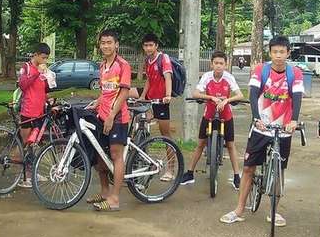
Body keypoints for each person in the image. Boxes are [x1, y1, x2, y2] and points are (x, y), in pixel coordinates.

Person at [221, 36, 304, 226]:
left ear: (288, 53)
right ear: (270, 53)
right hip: (262, 126)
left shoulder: (295, 73)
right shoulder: (261, 70)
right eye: (275, 52)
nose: (278, 56)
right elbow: (252, 94)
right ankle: (239, 209)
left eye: (282, 52)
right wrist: (256, 118)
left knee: (279, 171)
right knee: (249, 167)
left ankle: (274, 211)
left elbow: (298, 97)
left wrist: (293, 120)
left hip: (283, 129)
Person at [181, 50, 244, 189]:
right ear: (211, 64)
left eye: (221, 63)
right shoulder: (207, 77)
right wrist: (211, 98)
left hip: (226, 115)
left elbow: (239, 95)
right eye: (216, 63)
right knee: (200, 144)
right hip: (209, 114)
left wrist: (227, 100)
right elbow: (196, 93)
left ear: (226, 65)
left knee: (231, 145)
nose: (218, 66)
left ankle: (236, 176)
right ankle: (190, 173)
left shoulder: (229, 77)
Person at [86, 30, 131, 212]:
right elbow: (105, 91)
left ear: (116, 44)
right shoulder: (102, 65)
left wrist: (112, 115)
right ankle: (104, 192)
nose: (105, 45)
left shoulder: (123, 65)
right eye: (103, 42)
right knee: (99, 155)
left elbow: (124, 92)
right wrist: (96, 103)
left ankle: (115, 198)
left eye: (109, 42)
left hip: (117, 118)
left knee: (115, 156)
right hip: (102, 116)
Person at [138, 33, 175, 180]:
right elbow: (148, 80)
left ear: (156, 46)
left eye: (150, 45)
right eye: (146, 45)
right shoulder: (148, 60)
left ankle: (171, 170)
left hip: (161, 101)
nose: (148, 48)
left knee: (165, 135)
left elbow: (168, 77)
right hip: (150, 99)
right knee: (140, 126)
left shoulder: (163, 58)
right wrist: (142, 96)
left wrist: (167, 95)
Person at [16, 42, 52, 188]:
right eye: (43, 57)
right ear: (35, 55)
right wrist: (37, 71)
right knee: (26, 144)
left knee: (34, 145)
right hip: (27, 112)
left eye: (46, 58)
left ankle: (32, 172)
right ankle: (24, 175)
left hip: (39, 112)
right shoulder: (26, 67)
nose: (44, 61)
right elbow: (23, 85)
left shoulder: (44, 70)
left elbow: (45, 89)